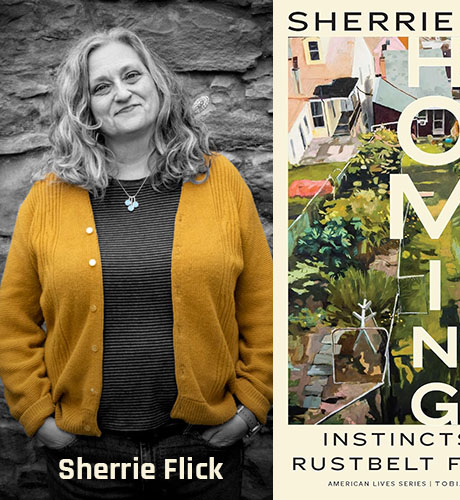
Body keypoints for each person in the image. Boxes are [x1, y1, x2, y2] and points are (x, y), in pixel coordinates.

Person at [0, 27, 273, 499]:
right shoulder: (47, 198)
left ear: (158, 83)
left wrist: (249, 408)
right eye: (101, 87)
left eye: (132, 75)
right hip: (86, 456)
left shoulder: (220, 181)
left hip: (200, 451)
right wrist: (38, 415)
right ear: (85, 109)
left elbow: (262, 306)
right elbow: (14, 322)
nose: (121, 93)